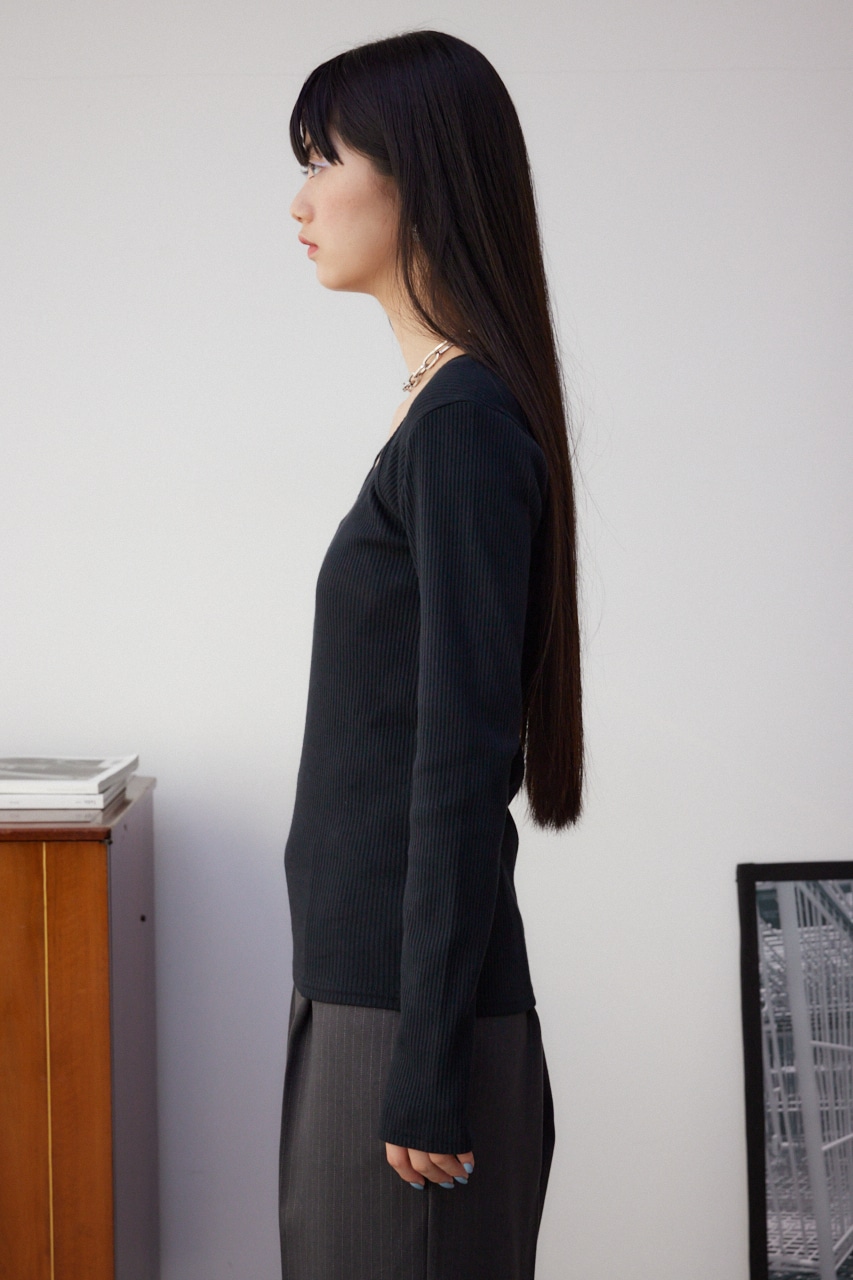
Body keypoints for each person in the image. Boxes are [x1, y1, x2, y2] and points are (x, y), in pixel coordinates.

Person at [280, 29, 584, 1280]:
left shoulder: (461, 427)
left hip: (408, 1020)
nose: (299, 201)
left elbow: (460, 762)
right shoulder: (439, 415)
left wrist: (425, 1062)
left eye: (324, 160)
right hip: (368, 993)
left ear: (419, 177)